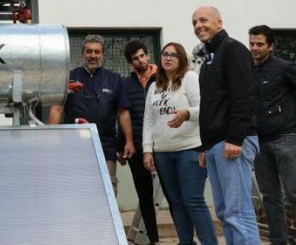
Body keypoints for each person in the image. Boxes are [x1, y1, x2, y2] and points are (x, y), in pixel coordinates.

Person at [191, 5, 260, 244]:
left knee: (237, 212)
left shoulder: (233, 50)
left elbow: (243, 97)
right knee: (224, 212)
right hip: (215, 145)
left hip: (231, 142)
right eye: (194, 23)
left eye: (203, 20)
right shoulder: (209, 59)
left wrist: (235, 138)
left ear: (219, 23)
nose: (198, 26)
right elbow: (211, 106)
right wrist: (204, 145)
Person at [142, 42, 217, 245]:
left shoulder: (190, 78)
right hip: (162, 152)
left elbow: (204, 109)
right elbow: (148, 120)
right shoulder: (154, 85)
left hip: (189, 149)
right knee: (176, 202)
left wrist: (187, 113)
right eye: (165, 54)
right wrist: (147, 150)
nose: (168, 58)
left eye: (173, 55)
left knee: (192, 201)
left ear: (181, 58)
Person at [48, 34, 136, 196]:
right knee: (76, 187)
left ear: (102, 54)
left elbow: (122, 112)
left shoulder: (114, 79)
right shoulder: (68, 77)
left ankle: (106, 222)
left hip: (106, 144)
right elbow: (57, 108)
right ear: (82, 53)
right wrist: (52, 140)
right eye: (89, 51)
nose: (93, 56)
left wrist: (129, 141)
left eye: (97, 52)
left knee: (108, 188)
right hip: (73, 144)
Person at [249, 25, 296, 245]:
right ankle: (279, 242)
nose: (255, 48)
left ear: (271, 46)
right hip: (259, 140)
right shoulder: (247, 69)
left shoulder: (284, 68)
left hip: (286, 137)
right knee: (270, 198)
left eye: (260, 44)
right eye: (252, 44)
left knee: (293, 193)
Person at [121, 40, 160, 244]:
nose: (140, 60)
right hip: (136, 145)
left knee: (174, 194)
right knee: (145, 196)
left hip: (164, 145)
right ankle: (153, 240)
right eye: (135, 58)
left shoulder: (163, 77)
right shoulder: (125, 84)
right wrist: (123, 146)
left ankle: (186, 238)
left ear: (147, 55)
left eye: (142, 55)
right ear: (131, 62)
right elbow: (121, 115)